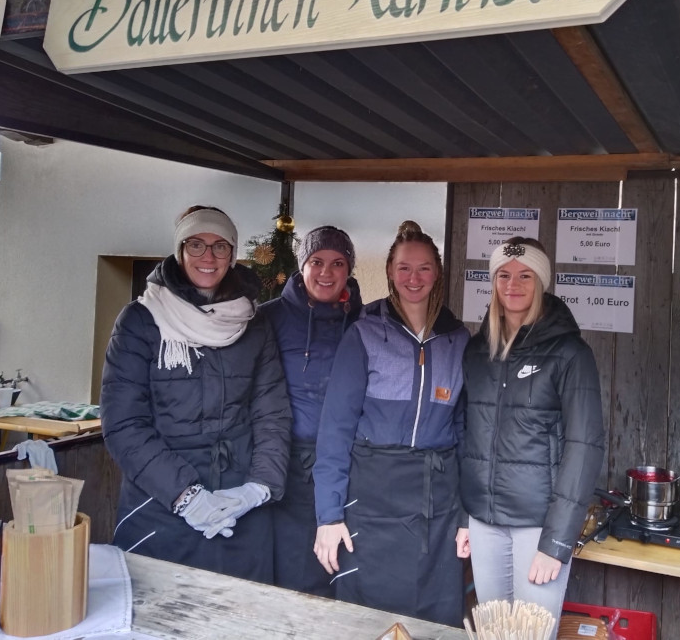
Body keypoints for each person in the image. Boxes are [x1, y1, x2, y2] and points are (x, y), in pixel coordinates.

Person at [101, 206, 292, 582]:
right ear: (180, 250)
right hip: (161, 500)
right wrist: (186, 497)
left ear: (232, 255)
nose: (209, 256)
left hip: (238, 501)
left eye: (220, 246)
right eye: (196, 244)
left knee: (245, 606)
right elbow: (124, 424)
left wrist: (258, 488)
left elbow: (272, 413)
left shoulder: (253, 323)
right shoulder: (141, 321)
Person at [312, 221, 470, 626]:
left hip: (437, 503)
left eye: (423, 268)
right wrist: (329, 516)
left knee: (434, 620)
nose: (413, 278)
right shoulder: (364, 334)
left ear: (437, 272)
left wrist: (467, 517)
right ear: (389, 271)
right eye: (404, 268)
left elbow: (468, 435)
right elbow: (335, 431)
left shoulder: (458, 340)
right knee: (366, 620)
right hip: (372, 500)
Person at [460, 237, 604, 636]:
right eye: (503, 275)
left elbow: (584, 448)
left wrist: (556, 542)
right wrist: (464, 516)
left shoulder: (570, 354)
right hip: (484, 522)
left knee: (531, 634)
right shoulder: (477, 351)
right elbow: (467, 436)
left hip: (537, 526)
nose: (513, 285)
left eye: (525, 275)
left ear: (541, 282)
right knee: (493, 632)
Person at [261, 225, 363, 596]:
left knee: (342, 571)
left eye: (338, 263)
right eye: (317, 261)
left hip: (349, 464)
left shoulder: (365, 323)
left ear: (348, 270)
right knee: (294, 575)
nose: (326, 272)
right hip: (288, 467)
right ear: (302, 266)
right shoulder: (269, 318)